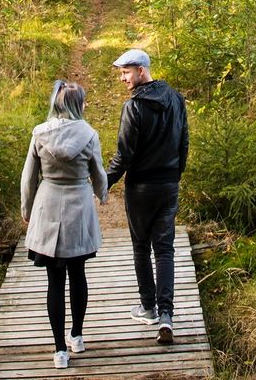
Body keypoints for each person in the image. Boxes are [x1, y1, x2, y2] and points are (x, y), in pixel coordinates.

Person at [21, 80, 108, 369]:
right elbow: (98, 174)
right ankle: (78, 336)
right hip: (78, 207)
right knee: (78, 274)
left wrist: (27, 209)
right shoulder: (89, 134)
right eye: (83, 101)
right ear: (75, 104)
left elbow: (28, 178)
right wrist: (102, 194)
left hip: (48, 205)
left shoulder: (39, 133)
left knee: (54, 282)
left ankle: (60, 350)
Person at [106, 48, 189, 345]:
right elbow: (184, 142)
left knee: (141, 247)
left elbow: (124, 154)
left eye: (126, 72)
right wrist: (175, 174)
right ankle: (167, 315)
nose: (122, 78)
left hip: (141, 188)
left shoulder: (135, 107)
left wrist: (104, 182)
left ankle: (148, 308)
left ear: (141, 70)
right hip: (168, 185)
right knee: (165, 250)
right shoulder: (176, 99)